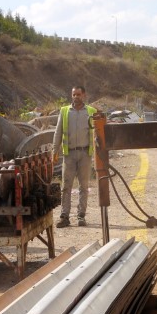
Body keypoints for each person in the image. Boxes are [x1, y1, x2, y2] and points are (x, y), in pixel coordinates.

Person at [51, 85, 102, 226]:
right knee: (66, 186)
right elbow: (58, 132)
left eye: (78, 94)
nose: (76, 97)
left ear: (84, 95)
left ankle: (81, 216)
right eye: (74, 94)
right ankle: (64, 216)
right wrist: (54, 151)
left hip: (85, 154)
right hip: (69, 155)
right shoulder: (65, 111)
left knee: (83, 187)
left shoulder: (91, 112)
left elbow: (99, 131)